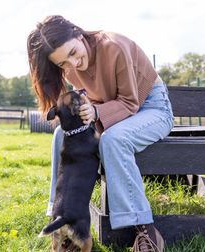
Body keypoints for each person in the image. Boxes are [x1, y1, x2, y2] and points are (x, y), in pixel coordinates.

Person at [27, 15, 173, 252]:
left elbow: (129, 103)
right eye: (63, 63)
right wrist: (88, 108)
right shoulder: (71, 67)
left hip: (150, 107)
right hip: (107, 110)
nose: (72, 65)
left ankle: (144, 229)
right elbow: (91, 98)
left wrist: (95, 111)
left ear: (78, 33)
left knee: (113, 140)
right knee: (61, 136)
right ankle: (65, 223)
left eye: (73, 53)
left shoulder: (114, 46)